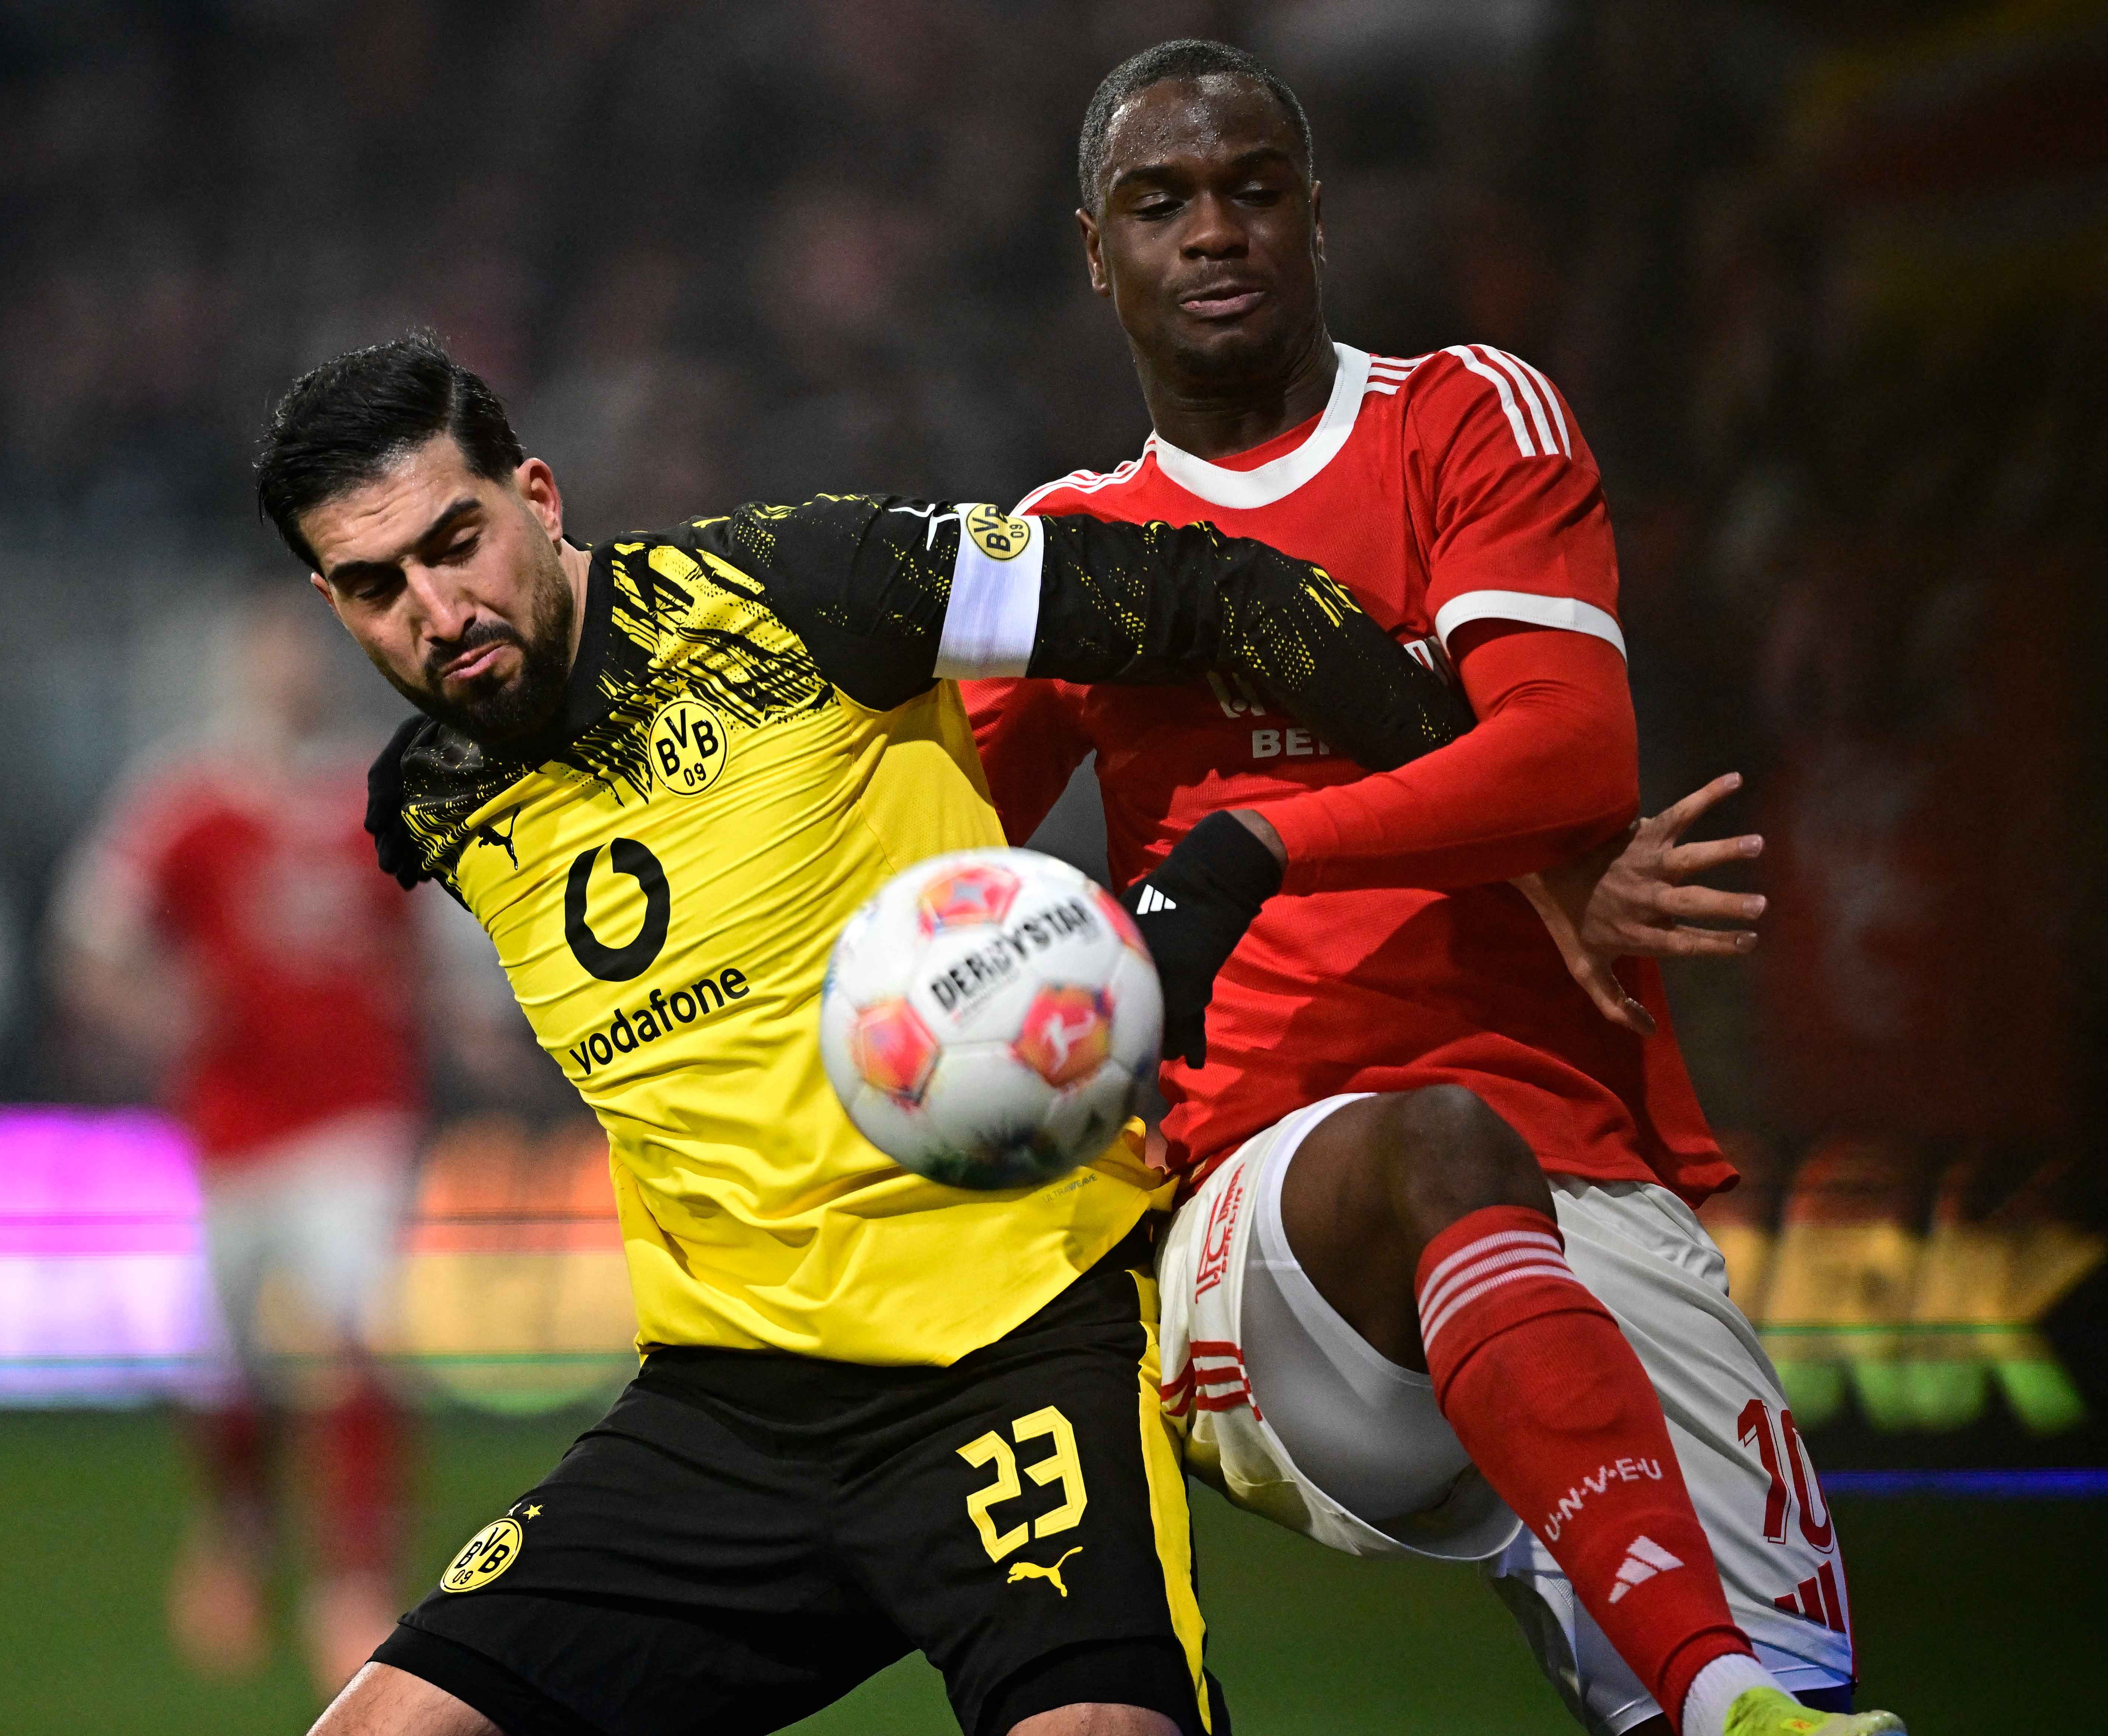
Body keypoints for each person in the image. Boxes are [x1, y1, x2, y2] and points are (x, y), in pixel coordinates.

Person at [265, 330, 1471, 1736]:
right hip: (723, 1416)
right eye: (375, 586)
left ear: (536, 496)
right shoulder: (430, 806)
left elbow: (1206, 595)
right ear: (331, 603)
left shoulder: (806, 585)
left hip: (1012, 1350)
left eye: (454, 541)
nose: (435, 606)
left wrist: (1516, 814)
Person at [962, 40, 1900, 1736]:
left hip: (1581, 1173)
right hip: (1269, 1221)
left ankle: (1711, 1685)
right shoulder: (1072, 547)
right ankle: (1705, 1686)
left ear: (1316, 213)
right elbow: (929, 858)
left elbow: (1567, 755)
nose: (1215, 232)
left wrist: (1258, 845)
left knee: (1812, 1697)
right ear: (1096, 251)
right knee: (1432, 1138)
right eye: (1161, 203)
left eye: (1253, 189)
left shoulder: (1465, 415)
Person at [51, 598, 424, 1694]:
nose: (290, 674)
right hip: (230, 1128)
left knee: (353, 1334)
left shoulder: (379, 790)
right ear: (240, 669)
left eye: (305, 655)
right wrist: (152, 1012)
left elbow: (440, 943)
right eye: (271, 654)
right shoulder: (187, 799)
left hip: (358, 1117)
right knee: (230, 1361)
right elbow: (88, 942)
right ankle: (238, 1534)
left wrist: (457, 1022)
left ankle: (353, 1579)